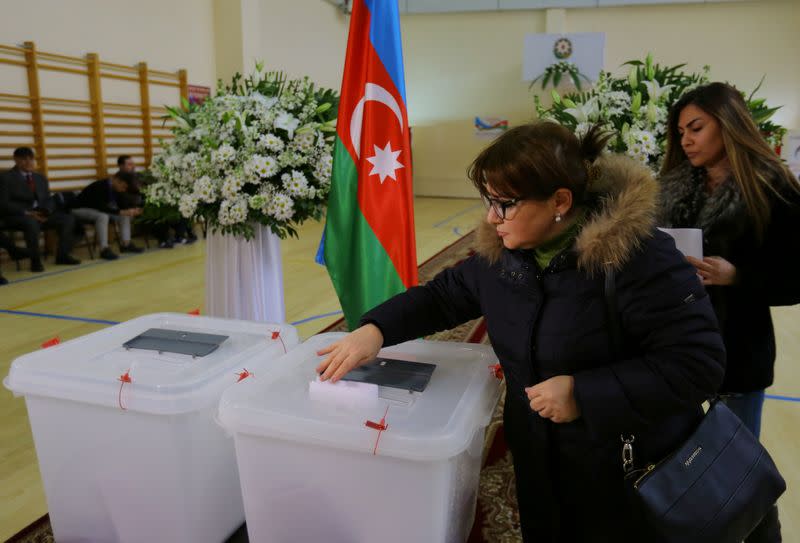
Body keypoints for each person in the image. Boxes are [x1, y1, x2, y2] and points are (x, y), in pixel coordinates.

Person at [316, 122, 726, 542]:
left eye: (505, 203)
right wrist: (375, 329)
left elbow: (698, 364)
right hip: (538, 460)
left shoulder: (638, 257)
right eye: (488, 201)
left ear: (560, 201)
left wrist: (584, 395)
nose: (492, 217)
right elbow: (443, 297)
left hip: (622, 470)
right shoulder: (504, 254)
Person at [658, 82, 800, 543]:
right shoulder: (672, 188)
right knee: (676, 466)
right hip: (674, 349)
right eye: (680, 131)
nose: (686, 140)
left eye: (696, 127)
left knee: (736, 473)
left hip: (737, 351)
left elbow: (795, 278)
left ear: (730, 124)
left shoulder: (773, 189)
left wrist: (736, 276)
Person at [0, 147, 80, 271]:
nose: (28, 162)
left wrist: (46, 212)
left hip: (39, 213)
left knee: (68, 219)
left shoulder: (40, 178)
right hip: (18, 216)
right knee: (31, 223)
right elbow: (3, 203)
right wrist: (28, 213)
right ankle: (35, 261)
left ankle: (62, 255)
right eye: (24, 159)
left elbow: (47, 199)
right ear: (15, 160)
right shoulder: (5, 178)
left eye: (31, 159)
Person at [70, 171, 144, 260]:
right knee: (102, 216)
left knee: (124, 215)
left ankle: (126, 244)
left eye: (125, 188)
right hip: (78, 209)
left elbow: (121, 206)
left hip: (96, 210)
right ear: (116, 180)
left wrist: (130, 210)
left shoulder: (116, 188)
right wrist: (121, 212)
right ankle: (104, 249)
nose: (124, 190)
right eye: (123, 186)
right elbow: (100, 206)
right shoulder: (100, 185)